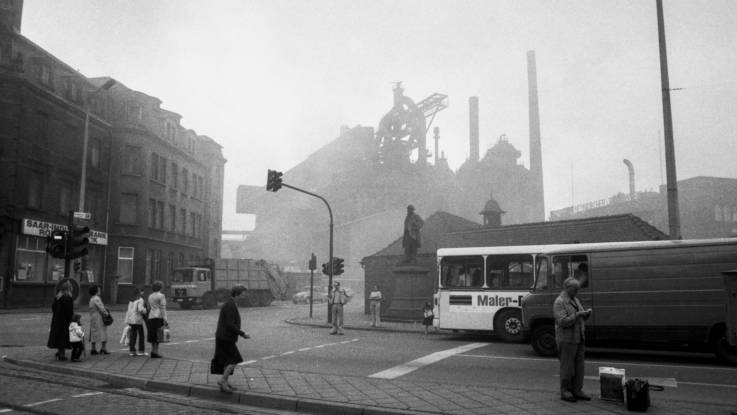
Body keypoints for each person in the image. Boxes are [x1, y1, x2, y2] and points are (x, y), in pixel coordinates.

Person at [554, 277, 592, 402]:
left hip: (579, 338)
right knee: (567, 367)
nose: (577, 292)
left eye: (578, 289)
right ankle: (565, 391)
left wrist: (585, 314)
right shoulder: (559, 302)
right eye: (575, 289)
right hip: (566, 339)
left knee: (579, 367)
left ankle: (577, 390)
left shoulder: (575, 299)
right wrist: (577, 315)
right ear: (567, 288)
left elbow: (580, 317)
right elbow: (562, 321)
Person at [213, 285, 250, 393]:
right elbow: (230, 324)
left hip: (223, 337)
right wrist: (242, 333)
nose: (245, 295)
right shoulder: (230, 305)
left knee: (227, 361)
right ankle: (223, 380)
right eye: (243, 293)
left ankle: (225, 384)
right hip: (226, 338)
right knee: (235, 360)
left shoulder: (231, 303)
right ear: (237, 294)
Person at [47, 281, 74, 361]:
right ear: (69, 288)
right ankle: (62, 355)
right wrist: (71, 319)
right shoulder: (68, 298)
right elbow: (69, 311)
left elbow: (53, 308)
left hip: (57, 320)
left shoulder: (58, 297)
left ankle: (59, 352)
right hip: (64, 321)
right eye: (71, 287)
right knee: (63, 337)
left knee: (58, 336)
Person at [147, 280, 168, 358]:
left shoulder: (150, 296)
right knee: (158, 335)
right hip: (158, 316)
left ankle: (153, 350)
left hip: (151, 316)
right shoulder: (161, 296)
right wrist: (165, 319)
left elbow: (148, 307)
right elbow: (163, 308)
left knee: (152, 334)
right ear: (160, 287)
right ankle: (155, 352)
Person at [125, 287, 148, 356]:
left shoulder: (131, 300)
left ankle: (132, 351)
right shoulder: (140, 299)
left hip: (131, 320)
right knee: (141, 335)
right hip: (137, 320)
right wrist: (145, 310)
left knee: (133, 335)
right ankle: (141, 351)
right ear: (139, 292)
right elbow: (140, 309)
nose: (143, 293)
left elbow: (129, 311)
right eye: (142, 291)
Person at [88, 285, 110, 355]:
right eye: (99, 290)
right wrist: (106, 314)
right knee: (103, 331)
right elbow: (101, 308)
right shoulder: (97, 298)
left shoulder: (92, 299)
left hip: (93, 317)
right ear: (96, 291)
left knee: (93, 332)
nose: (100, 291)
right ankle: (103, 348)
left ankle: (93, 348)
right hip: (99, 317)